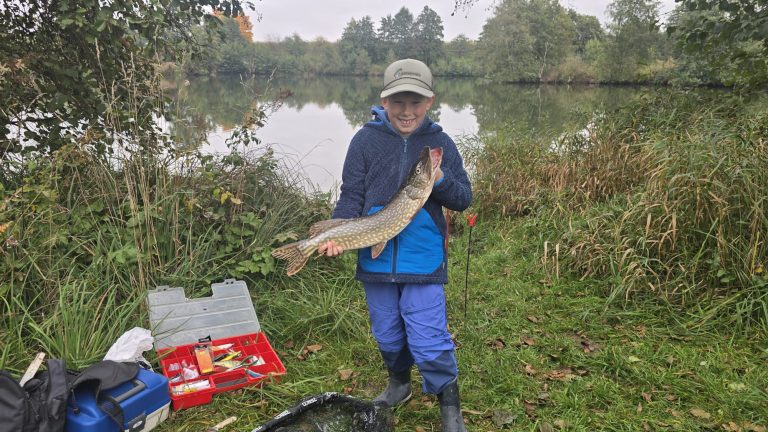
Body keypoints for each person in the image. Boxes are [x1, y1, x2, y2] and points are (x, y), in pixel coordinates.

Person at [318, 58, 472, 432]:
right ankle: (399, 384)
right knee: (386, 330)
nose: (407, 111)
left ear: (429, 101)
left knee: (429, 335)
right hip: (375, 258)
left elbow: (463, 198)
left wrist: (438, 180)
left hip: (423, 260)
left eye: (415, 102)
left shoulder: (440, 143)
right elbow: (351, 195)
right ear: (384, 101)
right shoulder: (365, 140)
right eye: (398, 102)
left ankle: (449, 403)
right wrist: (336, 232)